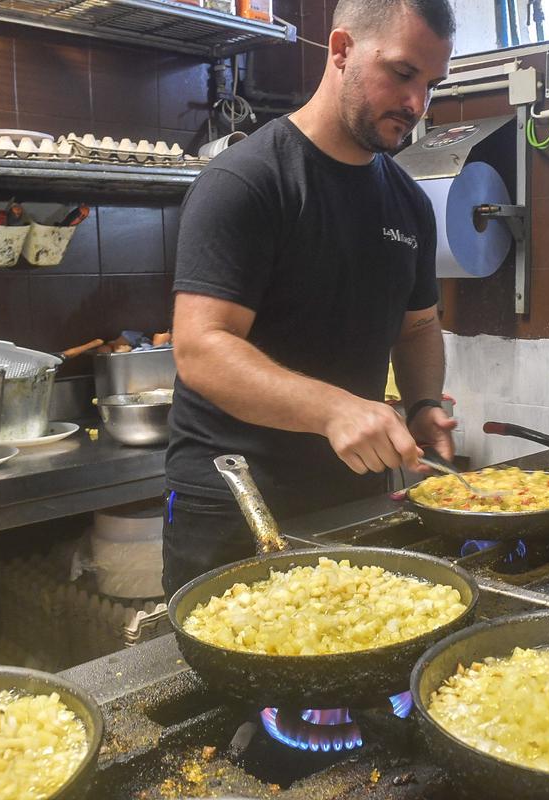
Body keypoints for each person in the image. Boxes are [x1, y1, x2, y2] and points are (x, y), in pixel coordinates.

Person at [161, 0, 458, 597]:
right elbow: (200, 347)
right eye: (403, 74)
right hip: (236, 501)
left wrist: (424, 403)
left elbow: (419, 327)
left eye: (431, 85)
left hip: (354, 495)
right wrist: (334, 409)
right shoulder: (247, 182)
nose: (417, 105)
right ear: (342, 49)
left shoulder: (410, 203)